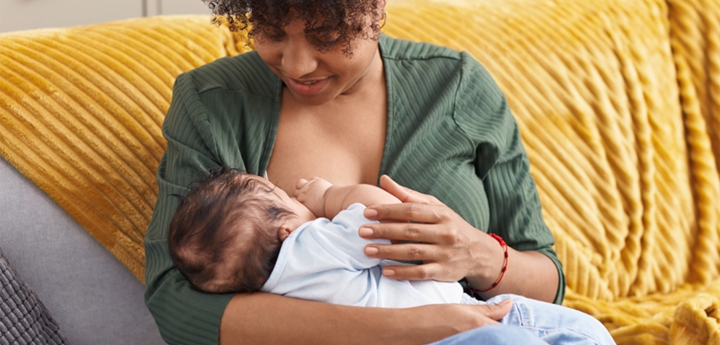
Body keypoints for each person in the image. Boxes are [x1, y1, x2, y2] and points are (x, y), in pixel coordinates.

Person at [144, 0, 615, 344]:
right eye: (271, 32)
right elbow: (177, 304)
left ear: (375, 8)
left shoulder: (457, 86)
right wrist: (410, 328)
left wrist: (478, 256)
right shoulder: (212, 102)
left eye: (326, 37)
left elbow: (548, 280)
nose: (297, 64)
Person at [167, 168, 614, 344]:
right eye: (282, 194)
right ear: (286, 228)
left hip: (469, 314)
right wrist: (328, 196)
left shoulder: (272, 282)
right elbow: (378, 216)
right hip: (451, 332)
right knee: (578, 334)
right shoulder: (309, 245)